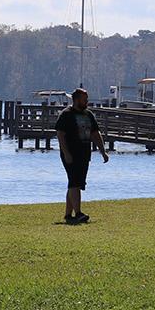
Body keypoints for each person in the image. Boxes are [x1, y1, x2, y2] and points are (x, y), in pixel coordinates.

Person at [55, 87, 108, 224]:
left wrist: (103, 151)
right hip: (70, 154)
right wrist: (66, 153)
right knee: (74, 182)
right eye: (85, 99)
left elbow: (95, 134)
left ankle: (68, 215)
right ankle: (78, 213)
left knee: (75, 184)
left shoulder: (88, 115)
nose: (87, 101)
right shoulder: (66, 114)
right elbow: (60, 134)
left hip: (84, 154)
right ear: (77, 99)